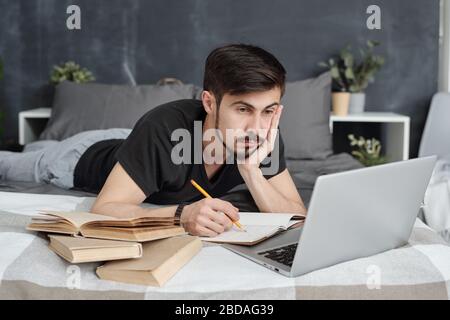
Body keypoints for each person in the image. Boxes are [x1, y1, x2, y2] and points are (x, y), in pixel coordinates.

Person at [0, 44, 307, 237]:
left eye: (268, 110)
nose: (256, 125)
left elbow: (297, 215)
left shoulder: (262, 133)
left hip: (132, 142)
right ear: (210, 103)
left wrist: (252, 172)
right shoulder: (163, 127)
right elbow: (105, 207)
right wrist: (181, 214)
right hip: (80, 157)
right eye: (243, 109)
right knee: (12, 162)